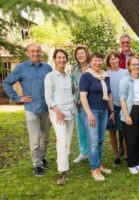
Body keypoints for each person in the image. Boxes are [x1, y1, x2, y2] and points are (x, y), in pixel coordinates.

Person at [2, 42, 52, 177]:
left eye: (38, 51)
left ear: (40, 52)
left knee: (45, 138)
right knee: (35, 140)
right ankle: (37, 164)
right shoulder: (21, 68)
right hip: (31, 108)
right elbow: (7, 82)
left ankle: (41, 158)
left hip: (47, 109)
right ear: (28, 53)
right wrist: (17, 98)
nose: (35, 53)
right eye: (32, 51)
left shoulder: (47, 68)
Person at [79, 52, 115, 181]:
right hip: (92, 111)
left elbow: (109, 95)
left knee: (100, 141)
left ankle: (99, 164)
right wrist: (89, 114)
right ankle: (94, 170)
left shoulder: (105, 76)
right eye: (95, 60)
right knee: (93, 142)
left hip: (104, 111)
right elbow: (83, 96)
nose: (97, 63)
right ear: (91, 61)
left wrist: (112, 111)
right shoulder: (86, 76)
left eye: (100, 60)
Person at [44, 49, 76, 185]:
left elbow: (72, 93)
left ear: (66, 60)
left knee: (67, 141)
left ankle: (65, 165)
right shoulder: (50, 76)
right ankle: (62, 172)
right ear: (55, 59)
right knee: (61, 141)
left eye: (64, 57)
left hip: (70, 112)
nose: (62, 60)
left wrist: (74, 100)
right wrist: (57, 111)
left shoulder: (68, 77)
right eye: (59, 57)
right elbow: (48, 98)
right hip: (57, 114)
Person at [119, 56, 139, 174]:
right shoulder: (125, 80)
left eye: (138, 64)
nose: (136, 66)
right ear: (129, 67)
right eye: (134, 64)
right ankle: (131, 164)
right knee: (131, 139)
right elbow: (122, 98)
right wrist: (126, 115)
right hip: (131, 110)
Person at [105, 51, 128, 166]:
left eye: (116, 58)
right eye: (111, 59)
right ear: (108, 61)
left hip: (123, 105)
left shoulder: (125, 72)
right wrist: (111, 108)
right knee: (112, 132)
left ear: (119, 60)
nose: (114, 61)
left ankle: (127, 155)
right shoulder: (105, 74)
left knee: (124, 131)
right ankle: (116, 156)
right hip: (111, 106)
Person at [71, 45, 91, 164]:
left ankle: (92, 153)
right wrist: (73, 98)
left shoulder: (92, 66)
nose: (80, 55)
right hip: (78, 104)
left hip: (90, 103)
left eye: (82, 53)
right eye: (78, 54)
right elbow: (72, 85)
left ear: (86, 53)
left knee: (91, 130)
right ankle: (83, 152)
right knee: (81, 130)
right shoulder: (74, 68)